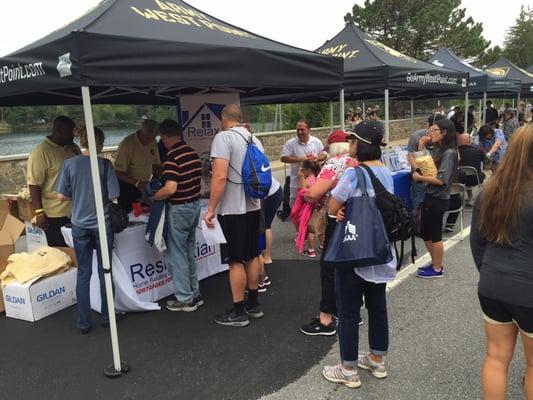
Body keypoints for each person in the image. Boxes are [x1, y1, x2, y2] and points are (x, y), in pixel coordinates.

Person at [322, 121, 396, 388]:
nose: (350, 144)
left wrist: (337, 211)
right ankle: (376, 358)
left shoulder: (354, 174)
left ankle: (348, 368)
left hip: (354, 251)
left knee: (349, 310)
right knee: (377, 307)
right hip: (379, 252)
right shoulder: (386, 172)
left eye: (352, 140)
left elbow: (333, 205)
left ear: (360, 144)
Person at [470, 124, 533, 400]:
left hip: (492, 284)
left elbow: (477, 242)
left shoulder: (491, 191)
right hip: (528, 288)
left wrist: (488, 271)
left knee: (496, 358)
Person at [204, 104, 264, 327]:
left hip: (232, 208)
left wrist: (211, 209)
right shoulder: (253, 138)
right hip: (253, 206)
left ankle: (238, 311)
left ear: (223, 118)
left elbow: (219, 177)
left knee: (235, 260)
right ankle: (254, 304)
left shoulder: (223, 138)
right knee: (251, 255)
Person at [55, 127, 119, 334]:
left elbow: (61, 196)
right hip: (101, 224)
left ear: (81, 142)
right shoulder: (105, 165)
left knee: (83, 272)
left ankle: (83, 322)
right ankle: (108, 316)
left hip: (79, 224)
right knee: (105, 271)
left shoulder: (69, 164)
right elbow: (114, 194)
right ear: (100, 144)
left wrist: (79, 193)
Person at [300, 129, 358, 336]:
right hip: (358, 219)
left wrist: (305, 192)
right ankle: (351, 312)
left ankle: (326, 319)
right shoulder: (360, 161)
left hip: (337, 219)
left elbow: (315, 193)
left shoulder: (335, 163)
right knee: (351, 267)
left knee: (329, 268)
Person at [151, 119, 203, 312]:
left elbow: (170, 188)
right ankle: (194, 293)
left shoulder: (172, 157)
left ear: (164, 137)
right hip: (194, 206)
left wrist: (156, 195)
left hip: (179, 208)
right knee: (189, 251)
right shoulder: (192, 153)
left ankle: (184, 298)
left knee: (177, 254)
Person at [412, 119, 458, 279]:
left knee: (435, 233)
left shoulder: (450, 153)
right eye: (429, 130)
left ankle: (437, 268)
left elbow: (440, 179)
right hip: (430, 195)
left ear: (444, 132)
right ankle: (434, 262)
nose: (430, 133)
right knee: (425, 231)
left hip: (439, 198)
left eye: (433, 130)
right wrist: (421, 148)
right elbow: (427, 168)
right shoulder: (438, 150)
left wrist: (420, 177)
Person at [27, 116, 80, 247]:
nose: (73, 135)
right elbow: (34, 185)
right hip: (55, 214)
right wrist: (39, 212)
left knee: (79, 250)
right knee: (62, 252)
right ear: (58, 130)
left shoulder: (73, 148)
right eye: (70, 131)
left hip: (76, 210)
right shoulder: (40, 153)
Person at [114, 119, 162, 213]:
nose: (150, 140)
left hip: (144, 187)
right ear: (141, 131)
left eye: (153, 137)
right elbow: (118, 172)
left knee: (145, 215)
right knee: (134, 216)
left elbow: (156, 165)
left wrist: (162, 179)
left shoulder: (153, 142)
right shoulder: (127, 144)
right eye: (147, 137)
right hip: (128, 188)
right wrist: (136, 183)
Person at [281, 120, 325, 206]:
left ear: (309, 130)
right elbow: (283, 158)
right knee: (296, 207)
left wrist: (316, 158)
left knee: (311, 207)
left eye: (302, 129)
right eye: (298, 130)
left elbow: (324, 155)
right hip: (296, 182)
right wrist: (302, 159)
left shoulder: (316, 141)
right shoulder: (291, 143)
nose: (299, 132)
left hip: (314, 182)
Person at [407, 114, 445, 212]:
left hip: (436, 176)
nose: (431, 133)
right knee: (418, 200)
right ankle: (417, 220)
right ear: (427, 125)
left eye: (435, 130)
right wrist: (419, 171)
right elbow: (411, 156)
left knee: (433, 204)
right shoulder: (416, 137)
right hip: (420, 175)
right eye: (430, 129)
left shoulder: (444, 141)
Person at [290, 160, 322, 257]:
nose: (301, 171)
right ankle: (322, 246)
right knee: (320, 228)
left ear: (308, 170)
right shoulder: (317, 178)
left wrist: (301, 177)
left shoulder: (306, 180)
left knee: (309, 229)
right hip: (316, 205)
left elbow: (301, 191)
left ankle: (311, 251)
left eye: (303, 169)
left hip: (307, 207)